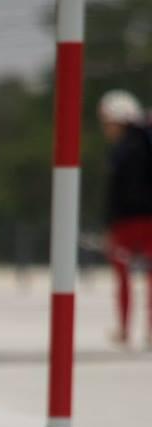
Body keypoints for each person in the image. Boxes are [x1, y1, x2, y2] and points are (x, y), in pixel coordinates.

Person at [99, 89, 152, 346]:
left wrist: (111, 223)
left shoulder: (124, 150)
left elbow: (119, 192)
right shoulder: (146, 141)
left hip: (128, 222)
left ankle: (124, 329)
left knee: (123, 277)